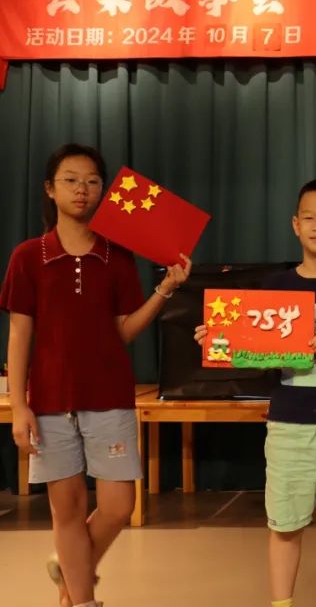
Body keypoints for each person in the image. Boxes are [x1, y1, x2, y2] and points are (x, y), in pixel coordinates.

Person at [1, 144, 192, 607]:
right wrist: (20, 405)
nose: (81, 189)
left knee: (118, 507)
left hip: (109, 396)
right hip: (49, 401)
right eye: (70, 180)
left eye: (91, 181)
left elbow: (123, 330)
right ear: (50, 189)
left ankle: (70, 571)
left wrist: (165, 289)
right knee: (66, 512)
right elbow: (20, 334)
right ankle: (79, 599)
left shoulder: (117, 256)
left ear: (104, 191)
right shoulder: (28, 256)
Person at [195, 178, 316, 607]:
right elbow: (253, 356)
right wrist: (219, 341)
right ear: (295, 225)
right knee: (284, 525)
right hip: (287, 425)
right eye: (309, 218)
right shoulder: (273, 288)